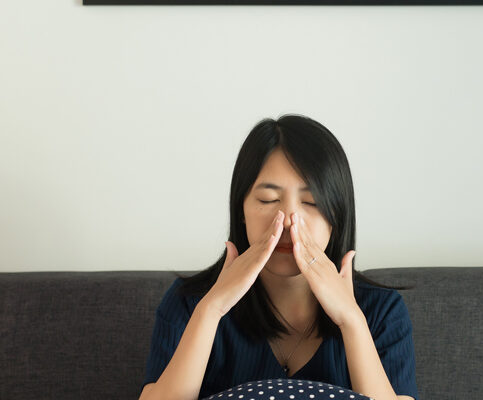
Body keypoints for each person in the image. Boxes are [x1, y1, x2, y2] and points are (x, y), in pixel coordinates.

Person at [139, 115, 418, 400]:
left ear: (338, 216)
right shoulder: (189, 303)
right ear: (241, 211)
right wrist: (211, 310)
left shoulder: (382, 312)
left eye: (311, 203)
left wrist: (350, 320)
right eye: (268, 200)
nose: (287, 222)